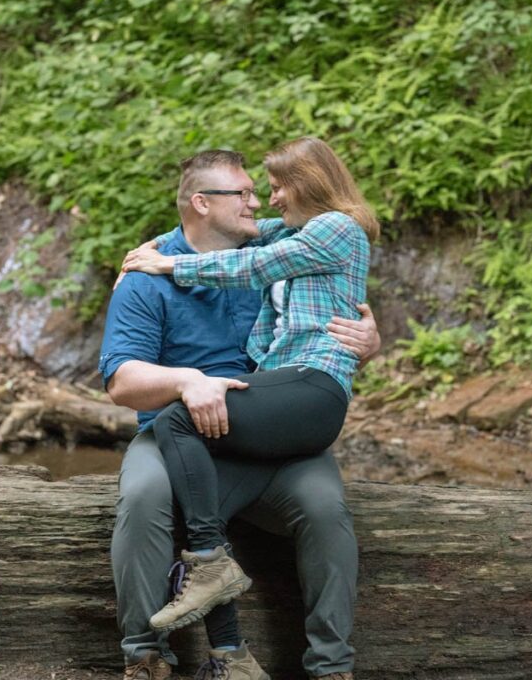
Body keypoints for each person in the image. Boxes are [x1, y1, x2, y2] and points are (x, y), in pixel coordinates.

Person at [101, 148, 381, 680]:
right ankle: (146, 655)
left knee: (325, 507)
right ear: (203, 204)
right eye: (245, 195)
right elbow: (121, 383)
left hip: (264, 421)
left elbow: (313, 291)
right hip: (175, 430)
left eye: (262, 191)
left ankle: (332, 667)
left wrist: (369, 337)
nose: (258, 203)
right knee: (145, 496)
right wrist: (186, 380)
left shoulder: (271, 254)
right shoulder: (146, 279)